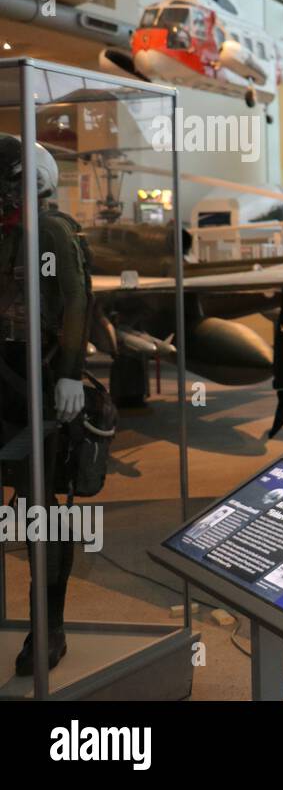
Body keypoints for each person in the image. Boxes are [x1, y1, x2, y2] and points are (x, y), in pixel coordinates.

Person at [0, 134, 91, 675]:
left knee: (42, 512)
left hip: (38, 381)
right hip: (6, 380)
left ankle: (48, 629)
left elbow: (77, 300)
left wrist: (71, 376)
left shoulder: (52, 233)